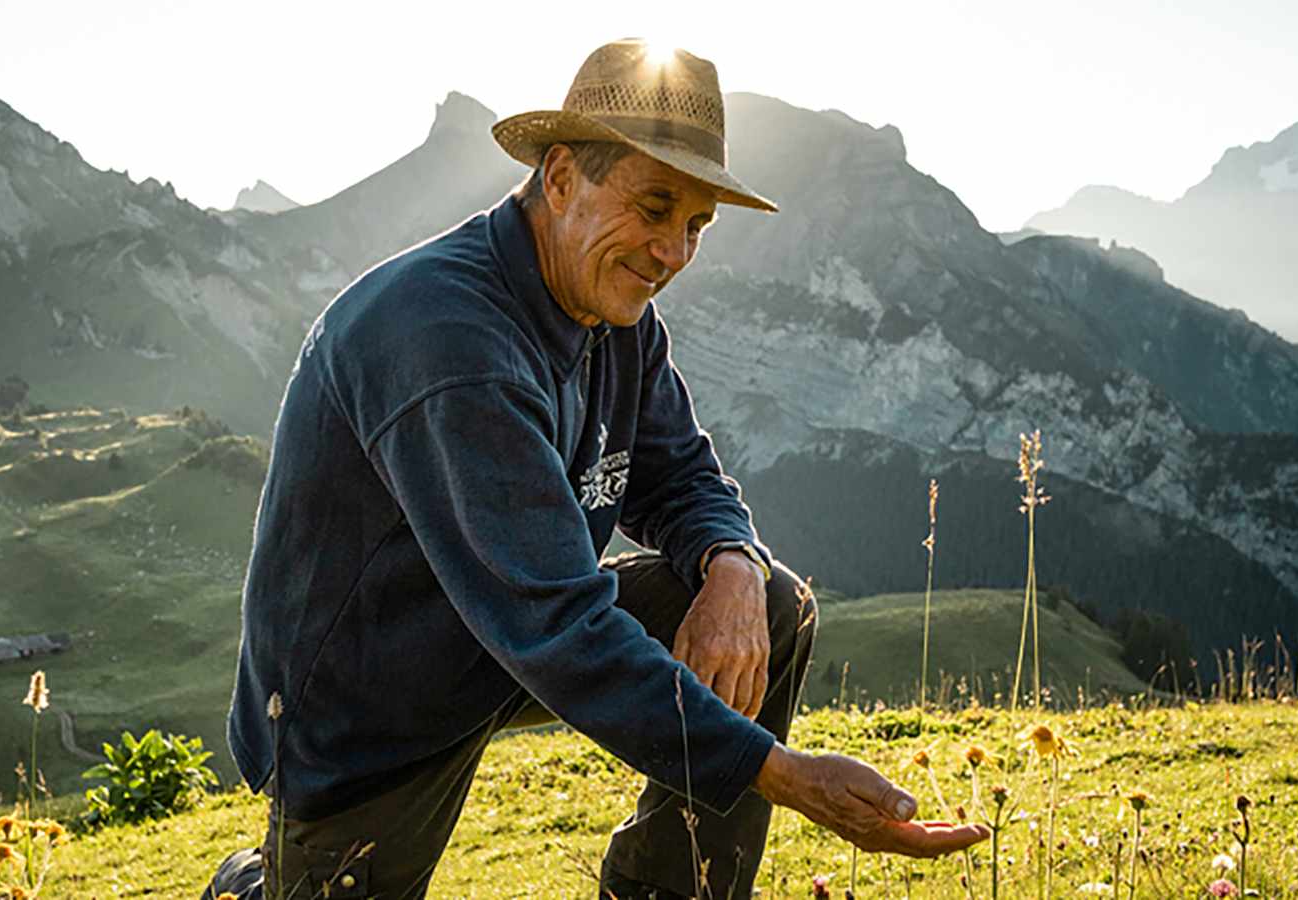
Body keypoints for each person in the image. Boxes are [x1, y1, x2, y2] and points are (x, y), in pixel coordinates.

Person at [204, 39, 988, 900]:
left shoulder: (613, 313)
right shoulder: (448, 340)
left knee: (765, 603)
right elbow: (557, 623)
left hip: (503, 638)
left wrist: (731, 565)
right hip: (367, 703)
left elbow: (684, 477)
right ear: (562, 176)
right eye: (654, 207)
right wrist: (780, 773)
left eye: (694, 225)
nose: (672, 251)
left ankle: (667, 891)